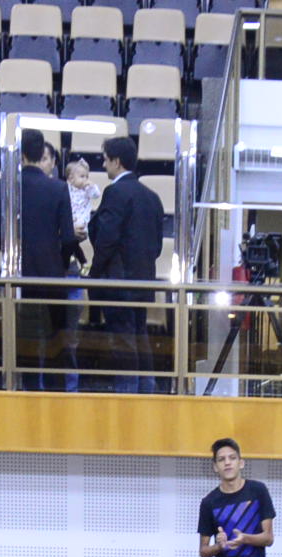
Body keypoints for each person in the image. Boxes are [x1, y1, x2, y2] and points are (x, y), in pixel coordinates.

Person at [88, 135, 166, 392]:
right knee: (140, 336)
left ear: (117, 161)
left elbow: (106, 240)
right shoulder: (152, 197)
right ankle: (147, 388)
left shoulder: (115, 193)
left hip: (118, 283)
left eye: (105, 159)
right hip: (143, 282)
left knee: (123, 342)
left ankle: (127, 393)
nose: (103, 164)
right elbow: (156, 246)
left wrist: (94, 274)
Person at [14, 130, 77, 392]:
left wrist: (16, 256)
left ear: (21, 154)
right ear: (42, 153)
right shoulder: (58, 187)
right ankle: (56, 395)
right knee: (56, 339)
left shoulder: (9, 186)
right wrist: (59, 263)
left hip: (19, 275)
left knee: (26, 340)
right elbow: (69, 238)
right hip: (53, 275)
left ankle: (28, 394)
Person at [197, 437, 276, 557]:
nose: (227, 463)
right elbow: (203, 552)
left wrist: (244, 538)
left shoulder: (258, 491)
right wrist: (220, 546)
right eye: (221, 459)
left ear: (241, 463)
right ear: (215, 467)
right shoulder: (209, 502)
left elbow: (268, 538)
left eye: (232, 458)